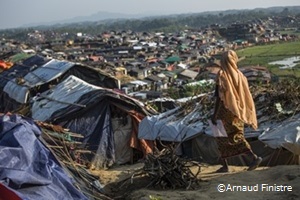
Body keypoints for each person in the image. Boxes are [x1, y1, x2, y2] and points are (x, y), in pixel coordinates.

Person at [211, 50, 262, 173]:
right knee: (237, 135)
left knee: (220, 137)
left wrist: (214, 113)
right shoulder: (240, 75)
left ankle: (228, 165)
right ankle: (250, 158)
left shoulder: (222, 75)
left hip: (224, 111)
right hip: (237, 111)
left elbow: (219, 96)